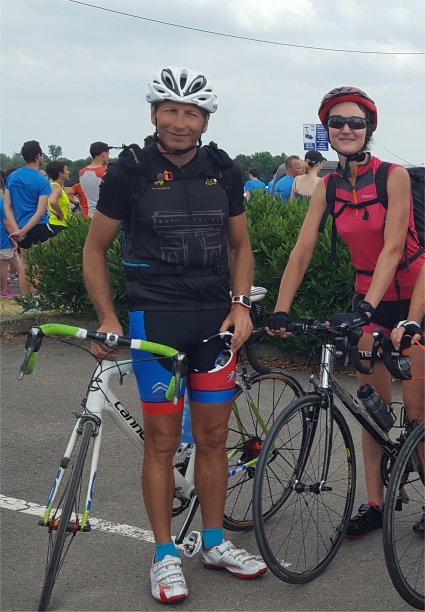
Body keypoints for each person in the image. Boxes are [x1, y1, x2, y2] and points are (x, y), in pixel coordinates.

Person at [83, 65, 267, 603]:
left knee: (212, 438)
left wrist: (240, 305)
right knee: (162, 443)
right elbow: (94, 248)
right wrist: (108, 318)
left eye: (191, 113)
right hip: (155, 318)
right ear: (153, 115)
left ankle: (213, 543)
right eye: (170, 111)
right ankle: (164, 554)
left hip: (213, 321)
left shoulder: (223, 170)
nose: (180, 122)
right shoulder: (130, 170)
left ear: (205, 121)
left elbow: (240, 246)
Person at [265, 86, 425, 539]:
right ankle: (375, 503)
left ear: (368, 128)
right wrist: (280, 310)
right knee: (373, 411)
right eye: (338, 122)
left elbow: (393, 247)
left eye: (356, 122)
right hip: (368, 299)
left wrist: (368, 308)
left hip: (413, 296)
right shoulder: (329, 186)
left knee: (417, 412)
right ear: (328, 130)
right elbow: (302, 250)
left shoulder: (392, 176)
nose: (347, 129)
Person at [3, 140, 53, 296]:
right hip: (38, 226)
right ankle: (37, 299)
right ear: (38, 156)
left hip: (19, 227)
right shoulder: (42, 180)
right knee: (39, 265)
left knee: (25, 264)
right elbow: (40, 211)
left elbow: (7, 206)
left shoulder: (12, 177)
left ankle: (26, 300)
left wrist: (17, 230)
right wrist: (23, 230)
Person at [79, 141, 110, 217]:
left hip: (91, 214)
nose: (108, 157)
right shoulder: (105, 172)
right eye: (108, 154)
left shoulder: (81, 172)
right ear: (103, 154)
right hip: (105, 215)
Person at [45, 161, 71, 235]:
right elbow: (52, 201)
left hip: (59, 225)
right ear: (60, 173)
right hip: (58, 225)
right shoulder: (56, 186)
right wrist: (61, 214)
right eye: (66, 169)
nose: (68, 172)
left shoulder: (55, 186)